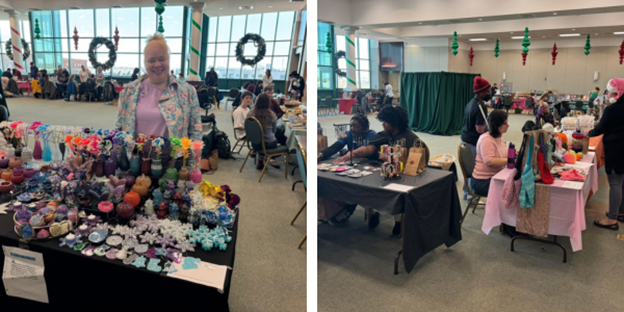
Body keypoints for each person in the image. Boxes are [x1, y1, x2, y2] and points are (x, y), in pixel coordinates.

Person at [116, 33, 202, 169]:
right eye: (151, 60)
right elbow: (119, 129)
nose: (157, 64)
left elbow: (195, 131)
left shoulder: (187, 91)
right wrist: (118, 162)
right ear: (145, 63)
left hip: (175, 164)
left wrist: (193, 167)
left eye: (162, 59)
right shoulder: (129, 91)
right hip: (136, 163)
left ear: (169, 59)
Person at [332, 106, 420, 233]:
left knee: (397, 194)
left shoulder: (411, 139)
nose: (383, 124)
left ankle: (398, 222)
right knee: (365, 186)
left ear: (394, 123)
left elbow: (414, 161)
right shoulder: (383, 135)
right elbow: (369, 148)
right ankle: (374, 213)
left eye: (385, 121)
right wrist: (353, 154)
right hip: (384, 172)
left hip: (404, 175)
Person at [589, 78, 624, 230]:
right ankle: (620, 212)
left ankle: (612, 219)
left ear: (616, 93)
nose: (607, 94)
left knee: (615, 183)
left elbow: (600, 128)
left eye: (609, 91)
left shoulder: (612, 109)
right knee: (622, 182)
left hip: (616, 150)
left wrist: (588, 133)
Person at [460, 76, 492, 199]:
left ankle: (465, 192)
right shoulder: (480, 106)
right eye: (487, 91)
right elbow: (480, 128)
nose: (489, 93)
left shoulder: (470, 103)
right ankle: (470, 196)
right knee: (473, 170)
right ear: (481, 92)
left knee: (466, 169)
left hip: (465, 139)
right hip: (473, 143)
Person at [470, 110, 510, 196]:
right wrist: (510, 160)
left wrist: (513, 154)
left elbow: (500, 154)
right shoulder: (486, 140)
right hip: (482, 181)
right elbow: (490, 162)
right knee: (513, 189)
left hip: (495, 176)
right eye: (505, 123)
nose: (508, 126)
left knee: (516, 182)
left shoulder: (499, 137)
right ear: (496, 125)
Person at [250, 93, 283, 170]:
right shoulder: (272, 114)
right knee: (278, 137)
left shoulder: (251, 113)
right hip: (268, 144)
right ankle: (272, 158)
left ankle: (260, 160)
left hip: (254, 143)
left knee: (263, 140)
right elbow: (274, 131)